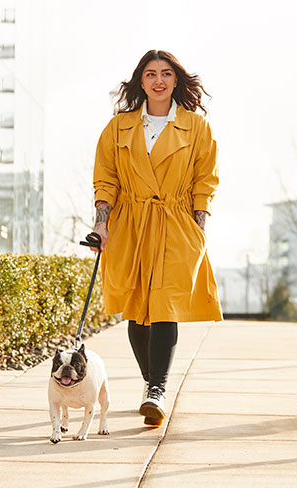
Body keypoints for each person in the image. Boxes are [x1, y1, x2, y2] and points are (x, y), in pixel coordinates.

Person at [91, 49, 223, 428]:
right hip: (130, 223)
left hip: (177, 223)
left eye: (166, 73)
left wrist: (199, 228)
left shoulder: (196, 127)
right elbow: (106, 178)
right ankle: (153, 383)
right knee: (138, 308)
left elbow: (205, 179)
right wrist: (102, 223)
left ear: (176, 81)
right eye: (151, 74)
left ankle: (156, 390)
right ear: (141, 81)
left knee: (165, 303)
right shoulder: (118, 128)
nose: (159, 80)